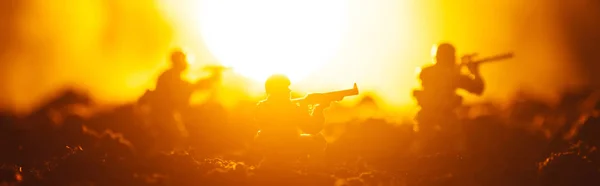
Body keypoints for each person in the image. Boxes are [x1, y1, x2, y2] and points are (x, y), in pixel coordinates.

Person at [142, 48, 223, 151]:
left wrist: (209, 81)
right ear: (178, 61)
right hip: (162, 115)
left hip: (164, 113)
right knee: (174, 139)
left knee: (171, 140)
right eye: (183, 60)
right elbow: (183, 90)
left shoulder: (170, 75)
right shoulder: (170, 76)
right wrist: (208, 81)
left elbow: (188, 87)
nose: (186, 63)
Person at [413, 43, 485, 152]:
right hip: (443, 121)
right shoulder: (449, 75)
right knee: (458, 148)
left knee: (422, 147)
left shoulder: (427, 72)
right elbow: (477, 88)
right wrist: (474, 71)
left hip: (428, 119)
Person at [253, 74, 328, 168]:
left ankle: (269, 163)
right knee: (318, 139)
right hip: (287, 145)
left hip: (266, 146)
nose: (289, 90)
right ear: (278, 90)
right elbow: (313, 129)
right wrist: (319, 109)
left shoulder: (261, 106)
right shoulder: (292, 108)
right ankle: (313, 170)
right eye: (285, 88)